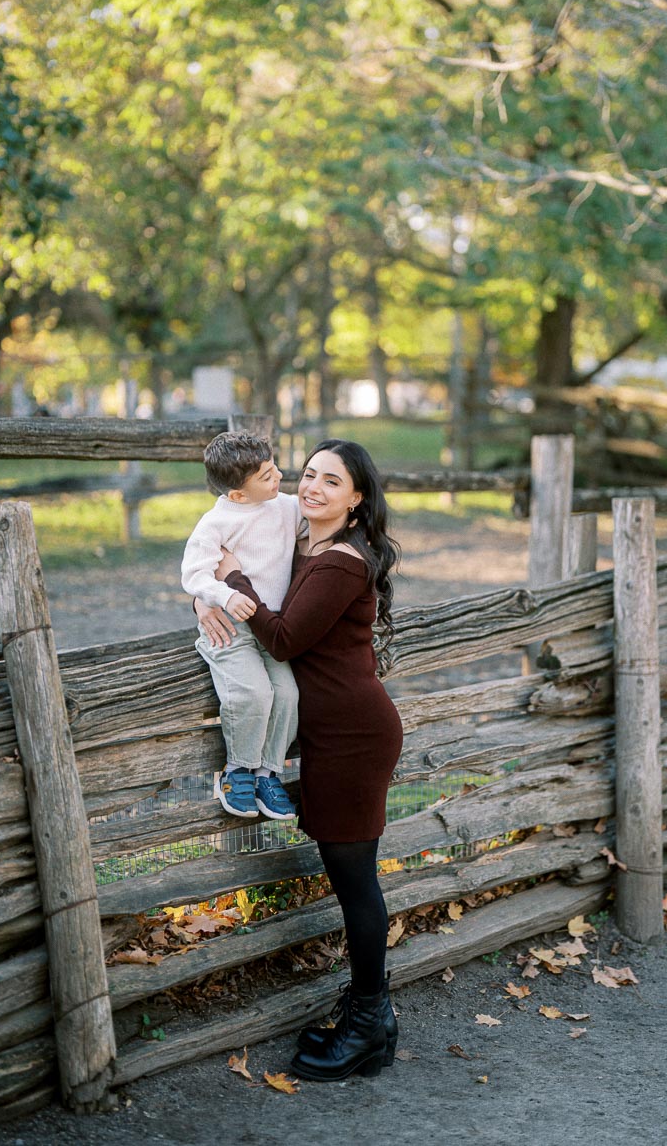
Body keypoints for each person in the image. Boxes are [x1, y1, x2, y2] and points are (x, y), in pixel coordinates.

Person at [196, 439, 404, 1081]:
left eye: (331, 481)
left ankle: (371, 1023)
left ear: (356, 498)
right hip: (330, 731)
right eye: (308, 474)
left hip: (353, 735)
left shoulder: (342, 560)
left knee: (356, 883)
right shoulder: (302, 543)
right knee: (351, 879)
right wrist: (210, 597)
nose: (312, 487)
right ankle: (370, 1016)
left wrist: (232, 583)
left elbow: (283, 637)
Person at [181, 430, 300, 821]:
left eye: (274, 467)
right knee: (252, 693)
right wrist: (220, 596)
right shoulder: (217, 522)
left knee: (286, 695)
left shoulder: (287, 507)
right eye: (267, 476)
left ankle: (269, 771)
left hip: (271, 628)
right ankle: (238, 770)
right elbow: (194, 574)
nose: (279, 476)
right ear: (238, 495)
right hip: (229, 629)